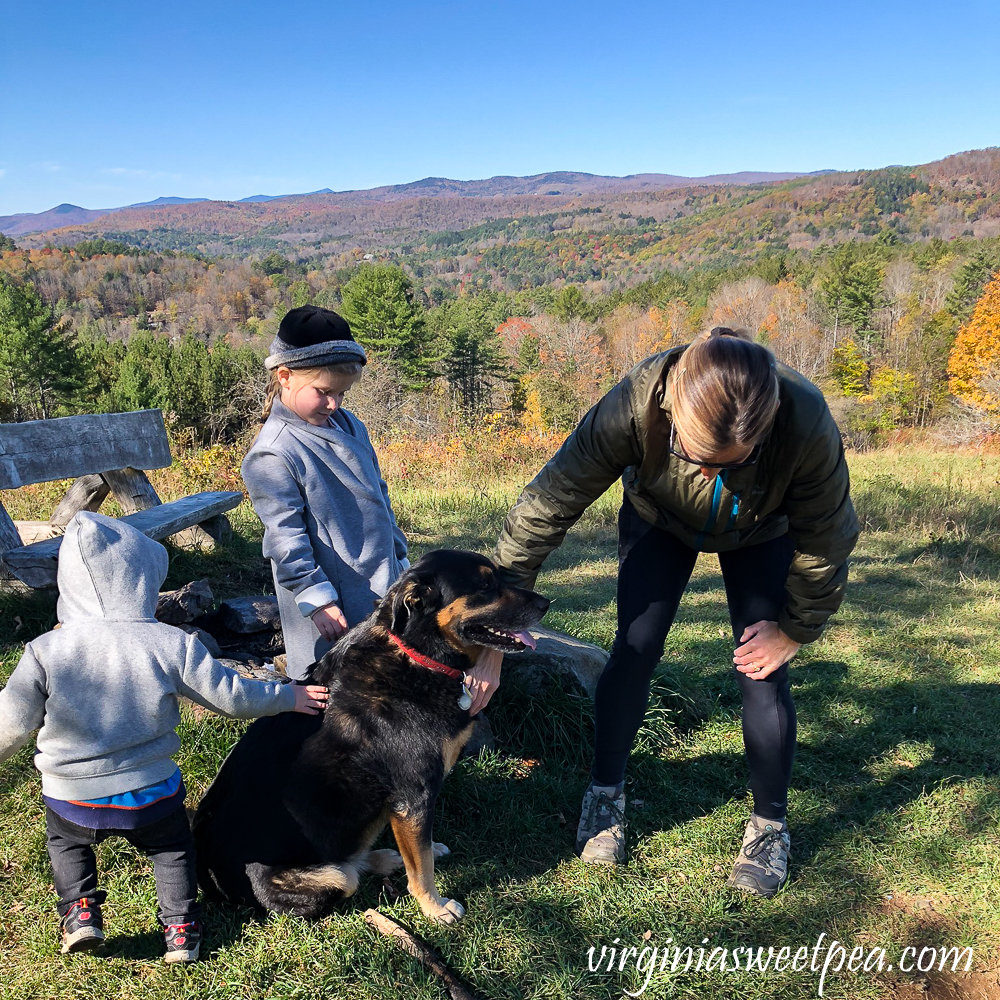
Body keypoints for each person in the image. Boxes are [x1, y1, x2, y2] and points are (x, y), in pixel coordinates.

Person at [493, 327, 859, 896]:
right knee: (634, 650)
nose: (711, 474)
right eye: (696, 457)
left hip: (764, 532)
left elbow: (827, 540)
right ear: (673, 411)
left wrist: (793, 630)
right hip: (658, 522)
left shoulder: (803, 418)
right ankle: (605, 794)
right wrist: (502, 621)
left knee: (762, 668)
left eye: (731, 464)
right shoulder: (637, 401)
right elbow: (550, 500)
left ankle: (769, 828)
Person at [0, 512, 329, 960]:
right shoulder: (170, 642)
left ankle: (80, 914)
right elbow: (231, 697)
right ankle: (180, 930)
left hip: (73, 794)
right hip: (152, 792)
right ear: (142, 581)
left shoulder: (46, 650)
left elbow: (12, 720)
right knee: (173, 849)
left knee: (66, 843)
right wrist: (287, 697)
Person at [242, 305, 502, 707]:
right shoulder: (274, 454)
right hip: (331, 598)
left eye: (342, 393)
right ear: (284, 377)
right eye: (324, 392)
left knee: (387, 673)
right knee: (333, 685)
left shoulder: (349, 426)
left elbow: (378, 495)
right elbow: (284, 537)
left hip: (382, 575)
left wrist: (398, 554)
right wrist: (318, 600)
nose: (334, 404)